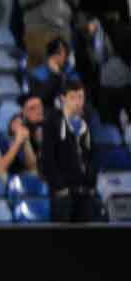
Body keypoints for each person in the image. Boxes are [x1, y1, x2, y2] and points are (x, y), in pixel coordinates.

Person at [41, 79, 97, 222]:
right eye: (73, 97)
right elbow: (48, 158)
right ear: (63, 98)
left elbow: (91, 156)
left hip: (84, 193)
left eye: (81, 97)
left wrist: (90, 183)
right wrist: (60, 187)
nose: (78, 102)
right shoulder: (52, 121)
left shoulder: (87, 121)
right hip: (63, 194)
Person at [27, 38, 79, 109]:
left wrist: (59, 75)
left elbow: (75, 93)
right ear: (51, 55)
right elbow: (40, 98)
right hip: (46, 113)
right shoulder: (36, 74)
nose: (64, 57)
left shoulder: (70, 72)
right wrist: (55, 75)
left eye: (66, 53)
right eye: (59, 53)